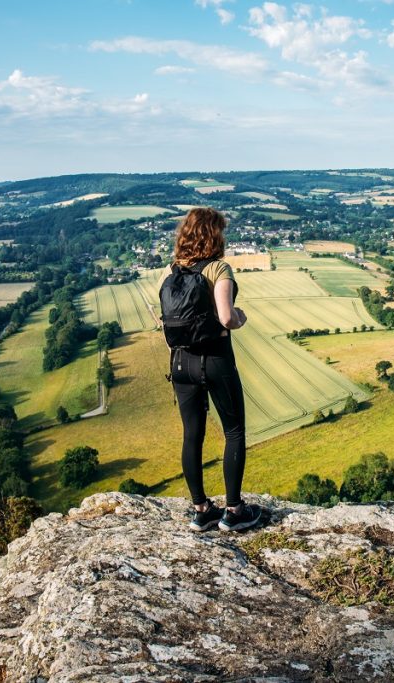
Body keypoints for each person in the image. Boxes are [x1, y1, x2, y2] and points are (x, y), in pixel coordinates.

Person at [157, 207, 263, 532]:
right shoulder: (218, 269)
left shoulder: (169, 271)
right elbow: (226, 317)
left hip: (179, 362)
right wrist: (241, 317)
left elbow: (166, 323)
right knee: (233, 432)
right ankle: (233, 511)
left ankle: (201, 510)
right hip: (215, 359)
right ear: (214, 234)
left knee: (193, 435)